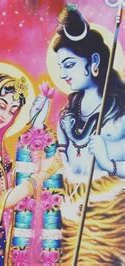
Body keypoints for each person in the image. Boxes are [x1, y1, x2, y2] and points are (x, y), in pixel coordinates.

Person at [36, 5, 125, 264]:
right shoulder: (68, 113)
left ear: (94, 62)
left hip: (109, 221)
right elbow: (61, 165)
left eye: (70, 64)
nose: (64, 74)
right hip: (71, 220)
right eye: (60, 66)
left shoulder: (119, 112)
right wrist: (38, 125)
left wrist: (109, 164)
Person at [0, 74, 61, 265]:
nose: (5, 115)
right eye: (1, 105)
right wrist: (43, 175)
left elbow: (20, 176)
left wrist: (36, 123)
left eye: (12, 111)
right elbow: (2, 199)